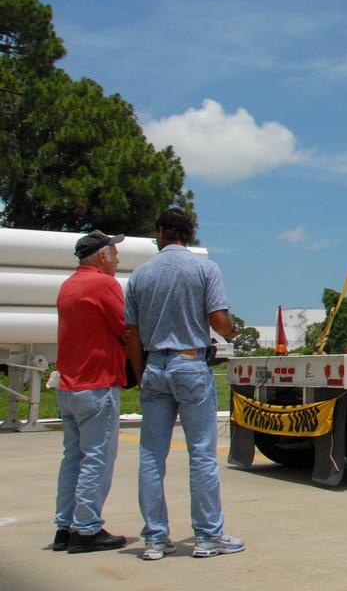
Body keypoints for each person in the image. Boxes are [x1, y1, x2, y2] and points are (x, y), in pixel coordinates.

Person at [124, 209, 243, 560]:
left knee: (151, 457)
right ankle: (207, 537)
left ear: (161, 231)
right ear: (188, 234)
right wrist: (232, 331)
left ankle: (155, 539)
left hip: (154, 366)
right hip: (191, 363)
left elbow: (131, 332)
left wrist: (139, 369)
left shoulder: (140, 276)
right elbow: (218, 319)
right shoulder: (205, 269)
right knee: (202, 455)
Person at [51, 231, 129, 554]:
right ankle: (86, 528)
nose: (117, 257)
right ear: (101, 256)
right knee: (98, 456)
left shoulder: (68, 286)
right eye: (114, 251)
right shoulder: (104, 285)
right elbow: (126, 327)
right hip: (97, 384)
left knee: (73, 457)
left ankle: (65, 527)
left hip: (69, 385)